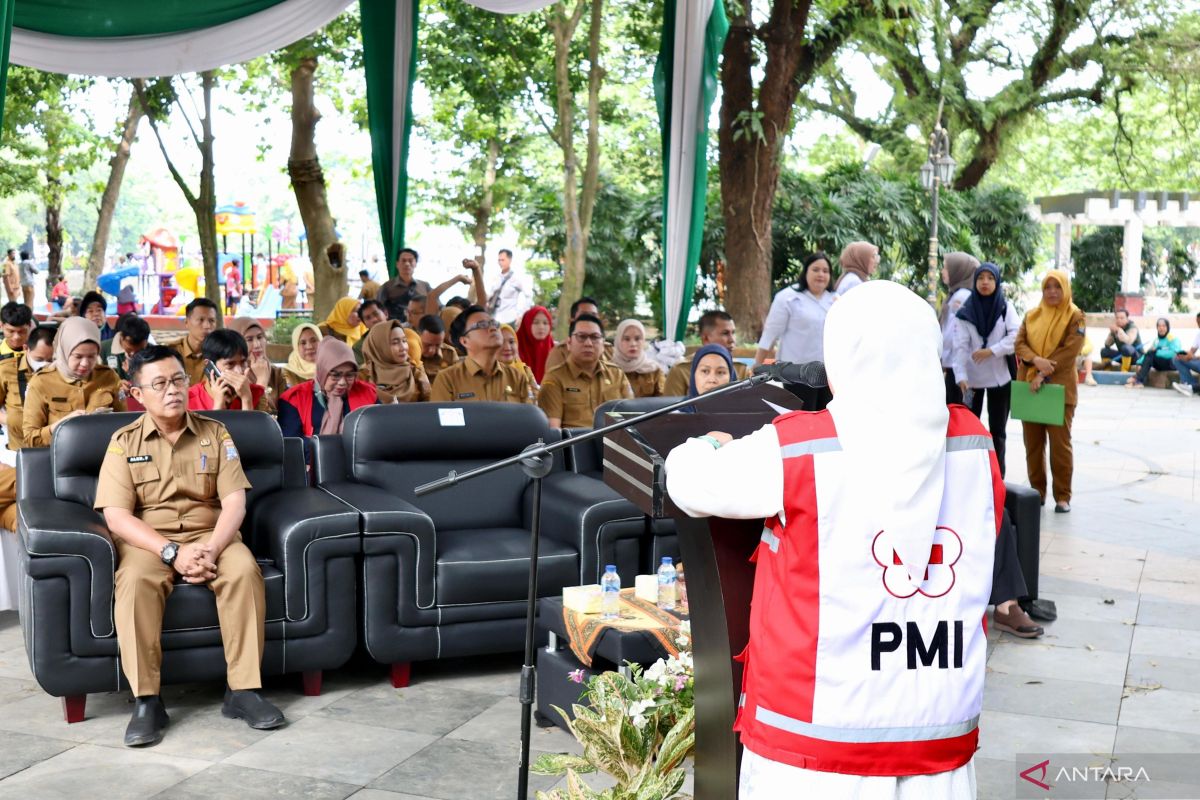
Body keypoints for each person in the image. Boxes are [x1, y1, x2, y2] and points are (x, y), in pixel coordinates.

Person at [664, 280, 999, 797]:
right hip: (935, 741)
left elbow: (689, 483)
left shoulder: (800, 448)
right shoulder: (976, 445)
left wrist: (704, 443)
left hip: (815, 751)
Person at [94, 346, 285, 747]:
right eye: (159, 384)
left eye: (179, 379)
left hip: (212, 535)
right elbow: (116, 516)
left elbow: (235, 502)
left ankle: (243, 691)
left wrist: (213, 550)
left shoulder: (215, 433)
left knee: (243, 570)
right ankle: (147, 701)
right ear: (137, 393)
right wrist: (171, 553)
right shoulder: (122, 442)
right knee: (133, 583)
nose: (173, 391)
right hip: (150, 542)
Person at [1014, 270, 1085, 513]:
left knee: (1060, 445)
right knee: (1032, 444)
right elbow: (1019, 343)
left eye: (1057, 286)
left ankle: (1062, 496)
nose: (1053, 291)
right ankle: (1037, 492)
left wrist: (1043, 372)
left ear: (1065, 289)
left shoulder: (1075, 316)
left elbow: (1070, 350)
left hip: (1059, 389)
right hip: (1030, 388)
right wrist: (1036, 360)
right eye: (1048, 287)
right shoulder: (1032, 316)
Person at [953, 262, 1019, 475]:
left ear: (997, 281)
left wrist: (991, 351)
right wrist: (961, 376)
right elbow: (960, 347)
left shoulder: (1005, 308)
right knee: (970, 431)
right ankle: (971, 474)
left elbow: (1016, 337)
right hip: (971, 382)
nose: (985, 282)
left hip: (999, 379)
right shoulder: (965, 312)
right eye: (981, 278)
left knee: (998, 432)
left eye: (990, 278)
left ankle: (997, 476)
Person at [23, 316, 126, 448]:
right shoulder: (41, 382)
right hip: (59, 461)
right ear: (64, 351)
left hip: (103, 457)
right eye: (78, 356)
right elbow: (31, 439)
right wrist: (62, 426)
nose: (85, 363)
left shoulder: (108, 376)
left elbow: (123, 425)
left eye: (92, 356)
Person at [538, 314, 633, 428]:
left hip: (614, 443)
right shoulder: (554, 378)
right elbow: (553, 432)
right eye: (581, 336)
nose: (588, 343)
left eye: (594, 337)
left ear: (603, 344)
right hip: (574, 444)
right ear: (569, 343)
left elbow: (630, 421)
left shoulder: (617, 374)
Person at [430, 306, 535, 404]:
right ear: (465, 341)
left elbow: (528, 420)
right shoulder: (447, 380)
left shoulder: (516, 377)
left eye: (494, 323)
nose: (493, 328)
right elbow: (443, 422)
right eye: (482, 325)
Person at [279, 338, 376, 437]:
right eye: (335, 375)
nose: (342, 382)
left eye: (350, 375)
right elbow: (293, 445)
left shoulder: (369, 394)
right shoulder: (295, 399)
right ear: (322, 371)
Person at [753, 251, 836, 366]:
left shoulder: (836, 300)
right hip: (792, 372)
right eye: (815, 270)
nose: (821, 274)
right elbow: (770, 334)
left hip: (825, 373)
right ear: (806, 272)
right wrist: (757, 365)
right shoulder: (787, 297)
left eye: (825, 271)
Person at [377, 249, 481, 323]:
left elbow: (439, 306)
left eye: (410, 261)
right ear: (397, 264)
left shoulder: (424, 286)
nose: (407, 264)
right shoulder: (387, 287)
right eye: (403, 260)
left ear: (415, 263)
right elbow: (378, 311)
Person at [664, 311, 750, 396]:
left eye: (733, 333)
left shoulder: (741, 369)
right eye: (725, 333)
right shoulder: (681, 370)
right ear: (705, 338)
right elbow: (671, 406)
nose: (732, 340)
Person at [0, 325, 53, 454]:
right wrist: (11, 420)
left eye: (51, 360)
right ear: (26, 349)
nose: (45, 365)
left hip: (53, 449)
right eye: (39, 359)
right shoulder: (6, 369)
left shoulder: (62, 372)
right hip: (17, 449)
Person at [187, 329, 269, 412]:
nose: (239, 371)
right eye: (230, 364)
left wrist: (246, 400)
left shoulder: (255, 393)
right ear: (209, 365)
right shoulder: (188, 399)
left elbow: (256, 425)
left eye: (243, 362)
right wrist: (218, 406)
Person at [939, 252, 981, 405]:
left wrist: (939, 356)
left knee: (957, 408)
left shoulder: (961, 296)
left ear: (959, 271)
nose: (942, 272)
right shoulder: (963, 294)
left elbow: (951, 333)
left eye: (946, 268)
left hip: (957, 366)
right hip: (963, 365)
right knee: (965, 408)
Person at [361, 320, 430, 403]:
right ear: (380, 347)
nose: (403, 347)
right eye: (395, 343)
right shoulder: (364, 375)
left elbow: (429, 405)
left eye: (404, 341)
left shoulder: (415, 372)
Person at [228, 318, 288, 413]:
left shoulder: (276, 373)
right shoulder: (233, 376)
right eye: (249, 339)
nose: (257, 344)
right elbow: (252, 419)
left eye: (260, 337)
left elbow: (286, 414)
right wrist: (262, 381)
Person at [544, 297, 615, 373]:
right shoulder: (559, 353)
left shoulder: (609, 350)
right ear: (571, 321)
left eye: (593, 316)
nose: (589, 320)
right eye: (584, 316)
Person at [172, 297, 220, 387]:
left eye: (211, 320)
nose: (207, 326)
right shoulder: (171, 353)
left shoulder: (220, 354)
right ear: (186, 322)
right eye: (201, 320)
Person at [612, 319, 664, 398]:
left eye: (637, 339)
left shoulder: (654, 370)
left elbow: (664, 401)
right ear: (618, 341)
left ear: (643, 341)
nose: (633, 344)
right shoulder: (609, 370)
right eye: (626, 339)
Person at [1127, 318, 1184, 388]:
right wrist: (1139, 363)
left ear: (1168, 327)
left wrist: (1157, 352)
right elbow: (1148, 353)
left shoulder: (1173, 339)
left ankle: (1138, 379)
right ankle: (1138, 380)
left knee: (1152, 353)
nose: (1161, 328)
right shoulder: (1157, 340)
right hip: (1160, 364)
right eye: (1159, 326)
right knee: (1150, 354)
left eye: (1164, 326)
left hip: (1171, 364)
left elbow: (1174, 353)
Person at [487, 248, 532, 325]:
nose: (500, 262)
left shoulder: (517, 277)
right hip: (494, 318)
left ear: (510, 260)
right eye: (499, 260)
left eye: (503, 260)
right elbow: (489, 296)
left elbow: (528, 296)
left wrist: (521, 315)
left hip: (510, 319)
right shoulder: (496, 278)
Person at [517, 305, 555, 384]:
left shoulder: (556, 351)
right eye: (535, 322)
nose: (541, 327)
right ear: (527, 323)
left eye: (545, 323)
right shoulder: (512, 348)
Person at [417, 315, 460, 383]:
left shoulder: (449, 353)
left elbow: (457, 380)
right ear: (418, 336)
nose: (432, 351)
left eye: (438, 345)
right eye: (427, 345)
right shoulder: (409, 353)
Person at [499, 323, 539, 390]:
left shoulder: (525, 370)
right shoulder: (485, 374)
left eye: (511, 342)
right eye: (501, 342)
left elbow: (536, 396)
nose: (507, 348)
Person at [283, 323, 323, 387]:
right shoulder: (287, 374)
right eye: (303, 343)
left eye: (314, 340)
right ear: (296, 347)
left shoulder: (332, 368)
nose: (309, 346)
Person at [1171, 312, 1200, 397]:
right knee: (1177, 359)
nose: (1199, 325)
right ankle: (1188, 384)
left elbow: (1194, 356)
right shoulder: (1199, 335)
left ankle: (1191, 388)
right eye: (1197, 322)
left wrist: (1194, 357)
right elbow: (1192, 351)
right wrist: (1185, 354)